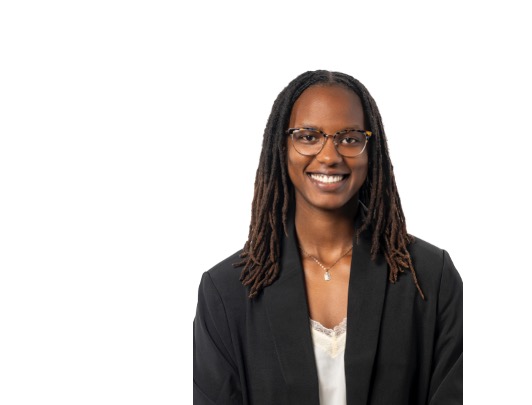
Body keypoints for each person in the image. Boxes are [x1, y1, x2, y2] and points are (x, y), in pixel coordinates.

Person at [193, 70, 462, 405]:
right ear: (281, 147)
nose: (330, 156)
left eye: (349, 138)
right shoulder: (226, 291)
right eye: (308, 136)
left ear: (371, 150)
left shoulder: (430, 278)